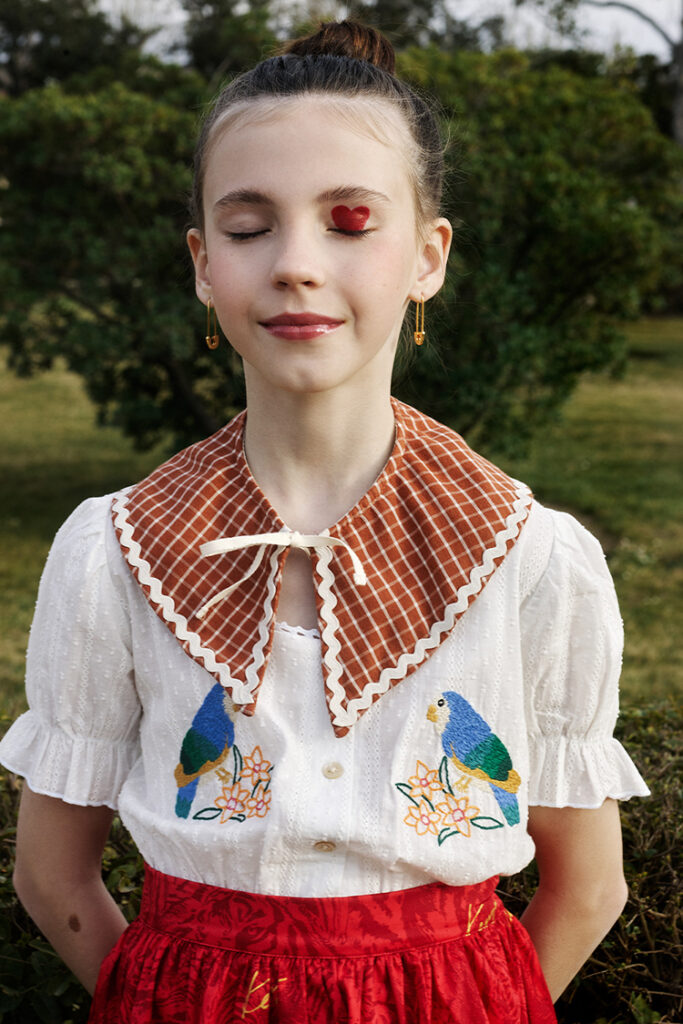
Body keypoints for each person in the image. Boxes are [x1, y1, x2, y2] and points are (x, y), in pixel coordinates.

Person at [0, 19, 649, 1024]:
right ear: (202, 264)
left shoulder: (530, 559)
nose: (295, 263)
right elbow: (51, 875)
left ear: (427, 256)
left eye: (349, 222)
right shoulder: (114, 551)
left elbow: (589, 885)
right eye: (247, 227)